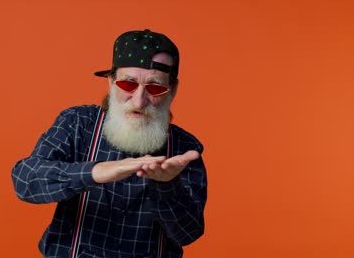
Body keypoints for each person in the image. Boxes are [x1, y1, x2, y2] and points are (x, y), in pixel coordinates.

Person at [12, 29, 208, 258]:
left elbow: (188, 233)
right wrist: (93, 172)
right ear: (111, 82)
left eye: (155, 88)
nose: (139, 100)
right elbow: (24, 180)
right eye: (128, 84)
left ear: (172, 90)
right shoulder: (78, 123)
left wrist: (168, 186)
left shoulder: (184, 149)